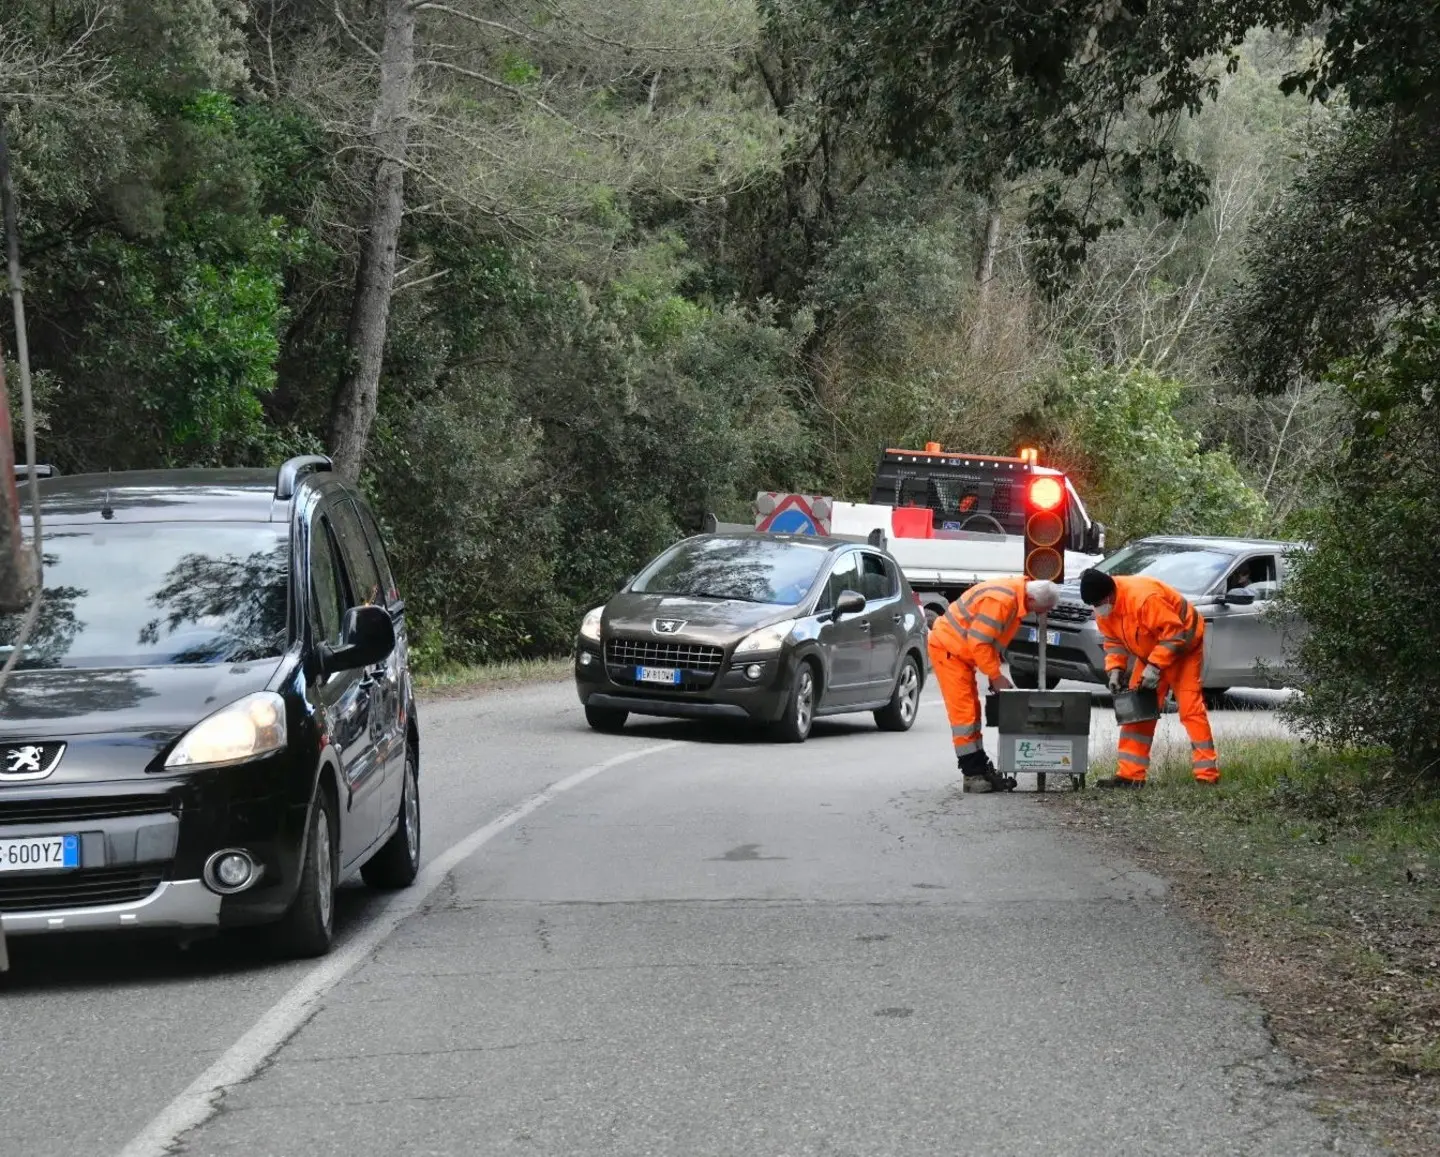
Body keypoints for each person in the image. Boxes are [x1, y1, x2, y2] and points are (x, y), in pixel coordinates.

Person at [1078, 567, 1220, 789]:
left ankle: (1207, 775)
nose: (1097, 610)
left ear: (1109, 595)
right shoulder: (1103, 605)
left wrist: (1154, 667)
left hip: (1184, 649)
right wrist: (1115, 670)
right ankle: (1130, 776)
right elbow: (1113, 641)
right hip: (1150, 653)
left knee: (1190, 710)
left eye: (1099, 604)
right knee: (1137, 710)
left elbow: (1175, 634)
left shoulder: (1145, 599)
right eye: (1094, 606)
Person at [927, 577, 1062, 793]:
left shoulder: (1015, 597)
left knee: (972, 711)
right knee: (964, 716)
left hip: (958, 651)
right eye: (1041, 609)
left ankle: (979, 768)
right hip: (949, 650)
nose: (1040, 614)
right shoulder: (1002, 601)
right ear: (1031, 598)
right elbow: (979, 642)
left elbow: (991, 641)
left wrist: (993, 674)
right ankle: (972, 775)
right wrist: (995, 676)